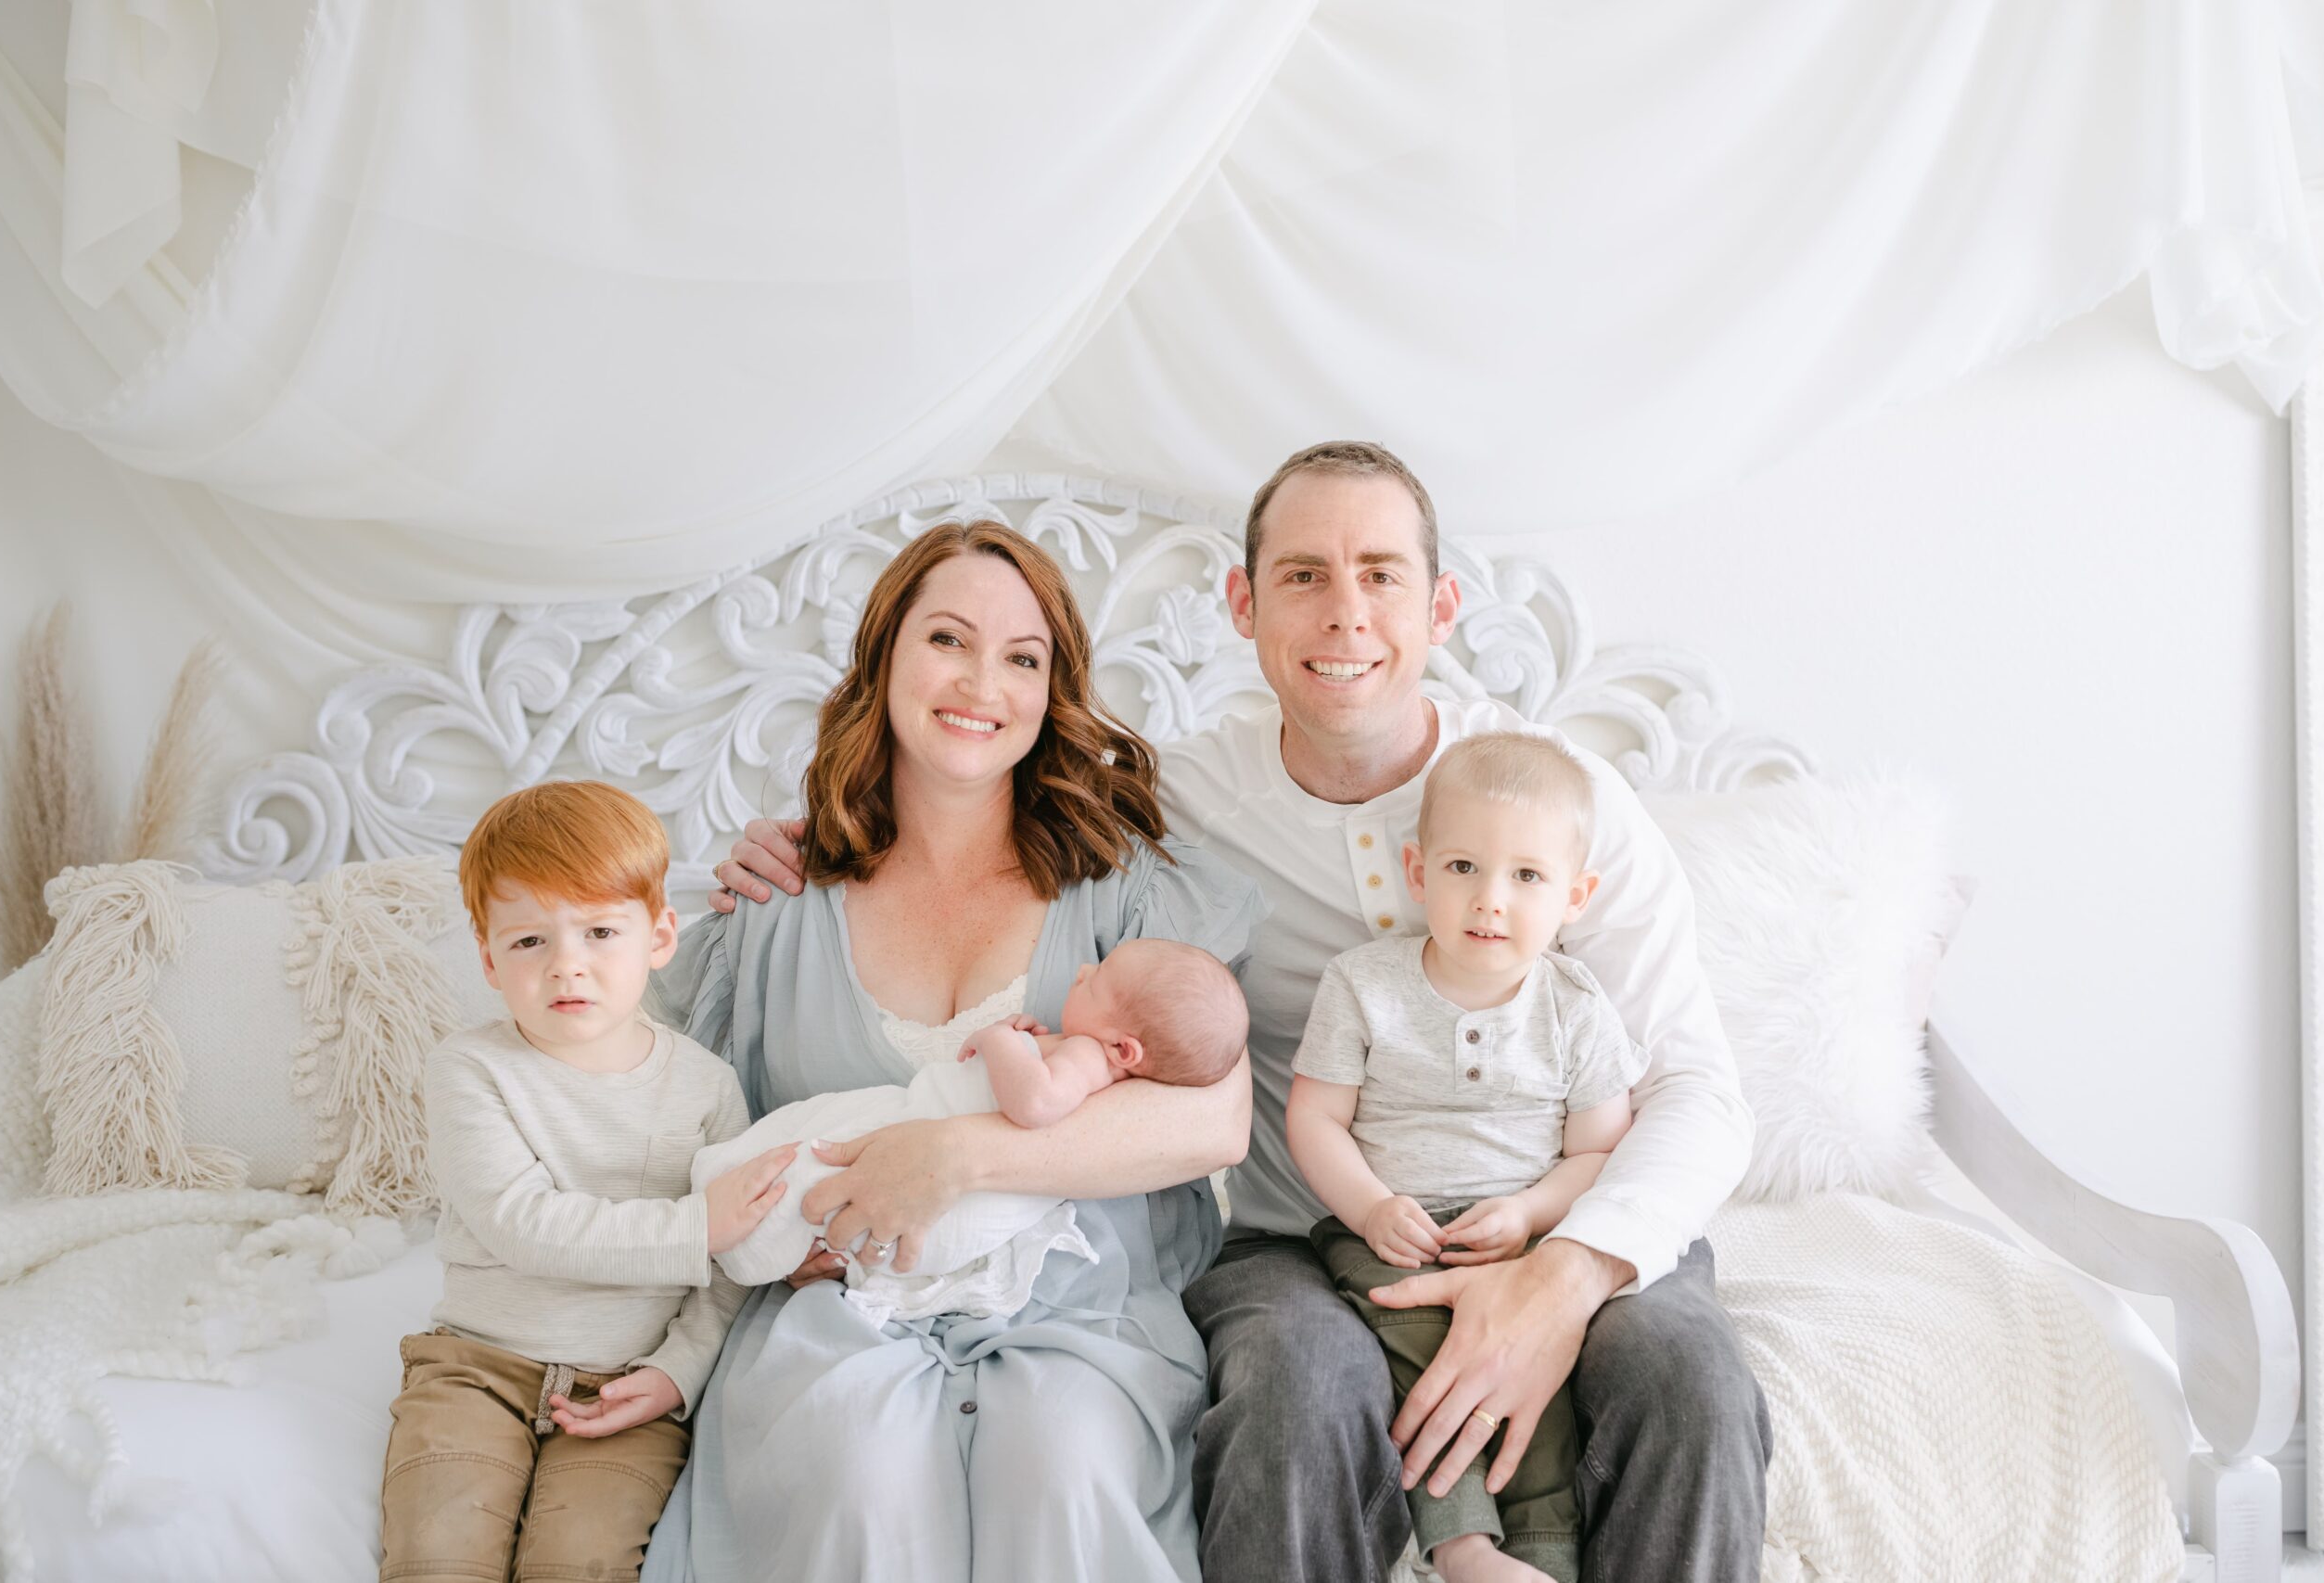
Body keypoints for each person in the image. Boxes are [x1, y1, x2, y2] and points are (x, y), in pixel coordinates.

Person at [715, 440, 1771, 1583]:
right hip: (1295, 1242)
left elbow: (1700, 1089)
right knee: (1292, 1392)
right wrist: (799, 843)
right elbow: (984, 781)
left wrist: (1568, 1275)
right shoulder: (1171, 807)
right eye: (1304, 576)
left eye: (1381, 574)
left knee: (1691, 1379)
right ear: (1242, 603)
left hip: (1566, 1218)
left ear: (1442, 605)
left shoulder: (1558, 801)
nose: (1345, 614)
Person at [641, 520, 1265, 1583]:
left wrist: (955, 1158)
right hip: (836, 1307)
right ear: (883, 655)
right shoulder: (777, 905)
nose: (983, 681)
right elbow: (668, 1129)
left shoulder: (1126, 889)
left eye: (1023, 658)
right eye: (947, 639)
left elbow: (1213, 1119)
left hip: (1079, 1305)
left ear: (1052, 688)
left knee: (1062, 1464)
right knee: (858, 1472)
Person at [380, 780, 785, 1583]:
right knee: (437, 1554)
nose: (568, 965)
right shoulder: (470, 1068)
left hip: (627, 1388)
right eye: (530, 941)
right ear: (489, 956)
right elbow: (521, 1221)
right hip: (476, 1367)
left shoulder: (707, 1087)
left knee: (583, 1562)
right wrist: (697, 1226)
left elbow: (733, 1268)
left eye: (601, 930)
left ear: (661, 936)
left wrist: (678, 1370)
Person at [1289, 734, 1644, 1583]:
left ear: (1574, 896)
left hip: (1520, 1239)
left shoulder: (1576, 1010)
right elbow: (1315, 1119)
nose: (1490, 899)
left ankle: (1545, 1553)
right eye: (1462, 868)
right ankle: (1461, 1546)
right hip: (1392, 1231)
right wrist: (1371, 1206)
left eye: (1527, 877)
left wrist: (1529, 1214)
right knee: (1422, 1344)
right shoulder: (1362, 984)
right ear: (1417, 871)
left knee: (1537, 1371)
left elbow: (1599, 1149)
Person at [691, 938, 1248, 1328]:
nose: (1082, 972)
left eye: (1097, 982)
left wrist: (1001, 1039)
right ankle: (746, 1231)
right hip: (951, 1184)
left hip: (961, 1186)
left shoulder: (1086, 1055)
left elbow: (1034, 1103)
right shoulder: (1089, 1058)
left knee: (820, 1158)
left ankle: (735, 1234)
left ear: (1125, 1049)